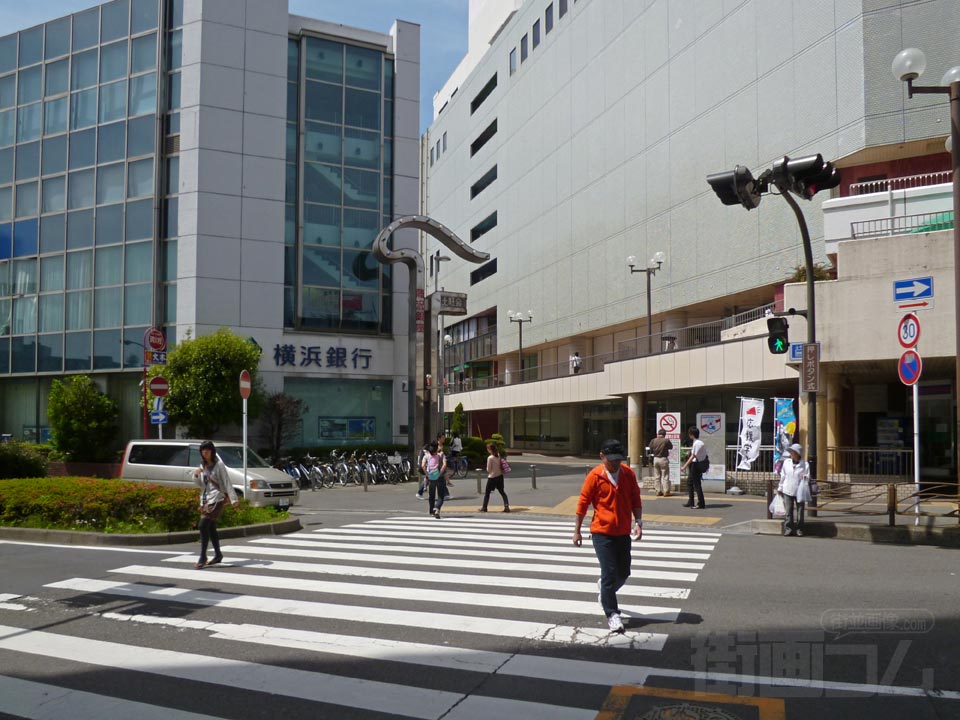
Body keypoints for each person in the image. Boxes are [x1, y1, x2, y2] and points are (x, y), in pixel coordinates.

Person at [573, 439, 643, 634]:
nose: (615, 463)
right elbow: (583, 504)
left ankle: (605, 590)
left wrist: (638, 522)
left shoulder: (628, 474)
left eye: (618, 460)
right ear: (602, 456)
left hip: (622, 532)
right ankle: (612, 614)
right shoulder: (595, 476)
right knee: (610, 572)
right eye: (611, 460)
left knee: (624, 572)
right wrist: (577, 530)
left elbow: (635, 498)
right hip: (601, 532)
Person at [192, 440, 239, 569]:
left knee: (203, 525)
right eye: (203, 450)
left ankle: (203, 557)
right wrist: (196, 475)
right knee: (211, 527)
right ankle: (218, 554)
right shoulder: (202, 467)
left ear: (212, 451)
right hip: (207, 501)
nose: (205, 452)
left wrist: (234, 499)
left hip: (218, 500)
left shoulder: (219, 466)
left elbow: (226, 482)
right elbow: (201, 485)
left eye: (207, 450)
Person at [778, 443, 811, 536]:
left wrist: (805, 477)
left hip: (799, 491)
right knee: (788, 511)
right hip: (787, 489)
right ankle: (788, 528)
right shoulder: (786, 462)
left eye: (793, 452)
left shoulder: (805, 464)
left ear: (798, 453)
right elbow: (783, 475)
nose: (791, 453)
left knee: (800, 511)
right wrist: (780, 487)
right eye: (791, 452)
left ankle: (800, 529)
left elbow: (808, 476)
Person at [680, 426, 707, 509]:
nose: (689, 435)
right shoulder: (697, 442)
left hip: (696, 465)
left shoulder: (697, 443)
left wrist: (684, 466)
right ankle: (691, 501)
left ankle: (701, 503)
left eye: (689, 433)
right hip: (695, 465)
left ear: (691, 434)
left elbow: (693, 456)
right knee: (690, 483)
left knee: (697, 484)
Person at [479, 442, 510, 512]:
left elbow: (488, 469)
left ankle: (484, 507)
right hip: (500, 476)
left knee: (487, 493)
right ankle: (506, 506)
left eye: (488, 449)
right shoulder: (498, 455)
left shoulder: (490, 458)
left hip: (492, 477)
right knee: (502, 492)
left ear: (490, 449)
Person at [420, 441, 448, 518]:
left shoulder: (427, 456)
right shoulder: (440, 455)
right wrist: (440, 473)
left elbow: (423, 466)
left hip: (431, 477)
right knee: (440, 496)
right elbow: (445, 465)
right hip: (440, 477)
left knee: (431, 495)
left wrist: (427, 474)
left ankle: (431, 510)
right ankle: (437, 508)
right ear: (437, 448)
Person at [415, 432, 446, 499]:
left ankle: (445, 494)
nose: (444, 439)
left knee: (437, 479)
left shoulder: (440, 445)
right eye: (443, 437)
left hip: (435, 466)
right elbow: (432, 454)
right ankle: (420, 492)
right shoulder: (435, 445)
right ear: (439, 438)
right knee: (437, 479)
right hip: (432, 466)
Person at [648, 428, 673, 497]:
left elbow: (650, 447)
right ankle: (666, 491)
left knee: (657, 476)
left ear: (658, 434)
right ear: (664, 435)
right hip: (663, 459)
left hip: (655, 459)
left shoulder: (653, 440)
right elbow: (671, 447)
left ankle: (658, 491)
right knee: (665, 476)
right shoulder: (666, 440)